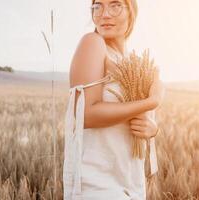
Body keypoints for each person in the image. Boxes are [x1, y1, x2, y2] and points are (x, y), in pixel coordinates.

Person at [63, 0, 164, 199]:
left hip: (131, 182)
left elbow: (138, 119)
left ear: (131, 11)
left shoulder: (132, 63)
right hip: (98, 183)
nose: (105, 14)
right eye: (97, 6)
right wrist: (151, 102)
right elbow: (85, 115)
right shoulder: (92, 43)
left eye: (115, 5)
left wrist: (153, 129)